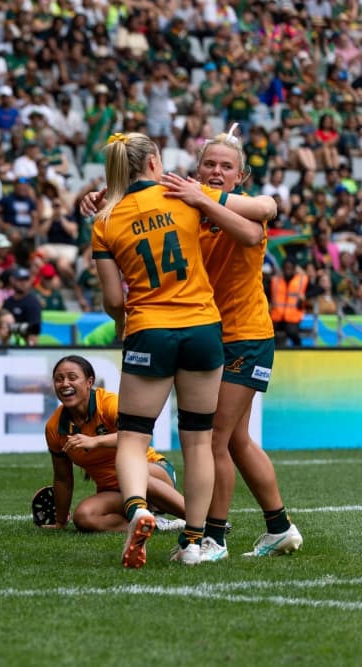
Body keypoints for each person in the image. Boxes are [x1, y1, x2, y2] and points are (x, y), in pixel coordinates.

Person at [91, 131, 274, 568]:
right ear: (155, 162)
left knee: (134, 437)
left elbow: (114, 299)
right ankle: (194, 542)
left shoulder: (106, 219)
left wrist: (123, 324)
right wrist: (202, 196)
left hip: (150, 330)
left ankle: (138, 510)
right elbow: (262, 213)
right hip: (203, 330)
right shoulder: (187, 198)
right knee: (199, 442)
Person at [192, 131, 302, 561]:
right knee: (236, 439)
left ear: (241, 176)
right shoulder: (190, 207)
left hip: (247, 335)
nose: (216, 172)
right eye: (209, 165)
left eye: (225, 167)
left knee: (215, 438)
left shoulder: (249, 210)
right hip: (214, 335)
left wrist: (202, 198)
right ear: (198, 168)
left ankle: (214, 539)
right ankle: (279, 527)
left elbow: (255, 231)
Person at [43, 355, 185, 533]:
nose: (65, 384)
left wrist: (95, 441)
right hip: (114, 491)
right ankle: (154, 525)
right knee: (84, 516)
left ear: (89, 382)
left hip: (153, 472)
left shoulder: (108, 403)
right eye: (59, 379)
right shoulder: (54, 428)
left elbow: (137, 436)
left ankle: (201, 522)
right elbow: (63, 479)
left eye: (72, 377)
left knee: (136, 475)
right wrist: (60, 522)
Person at [270, 258, 308, 347]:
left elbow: (318, 289)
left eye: (290, 268)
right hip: (276, 316)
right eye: (286, 268)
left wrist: (306, 296)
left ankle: (299, 349)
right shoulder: (275, 280)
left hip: (292, 316)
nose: (288, 270)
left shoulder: (302, 280)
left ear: (294, 269)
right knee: (268, 332)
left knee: (292, 332)